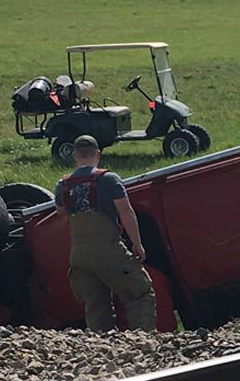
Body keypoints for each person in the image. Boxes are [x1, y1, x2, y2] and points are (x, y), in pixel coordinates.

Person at [54, 135, 157, 332]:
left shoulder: (63, 184)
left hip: (79, 254)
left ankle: (101, 347)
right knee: (139, 292)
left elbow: (61, 211)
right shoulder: (109, 179)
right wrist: (137, 244)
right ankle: (144, 343)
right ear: (98, 154)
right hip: (108, 249)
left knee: (95, 304)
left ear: (75, 155)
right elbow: (126, 212)